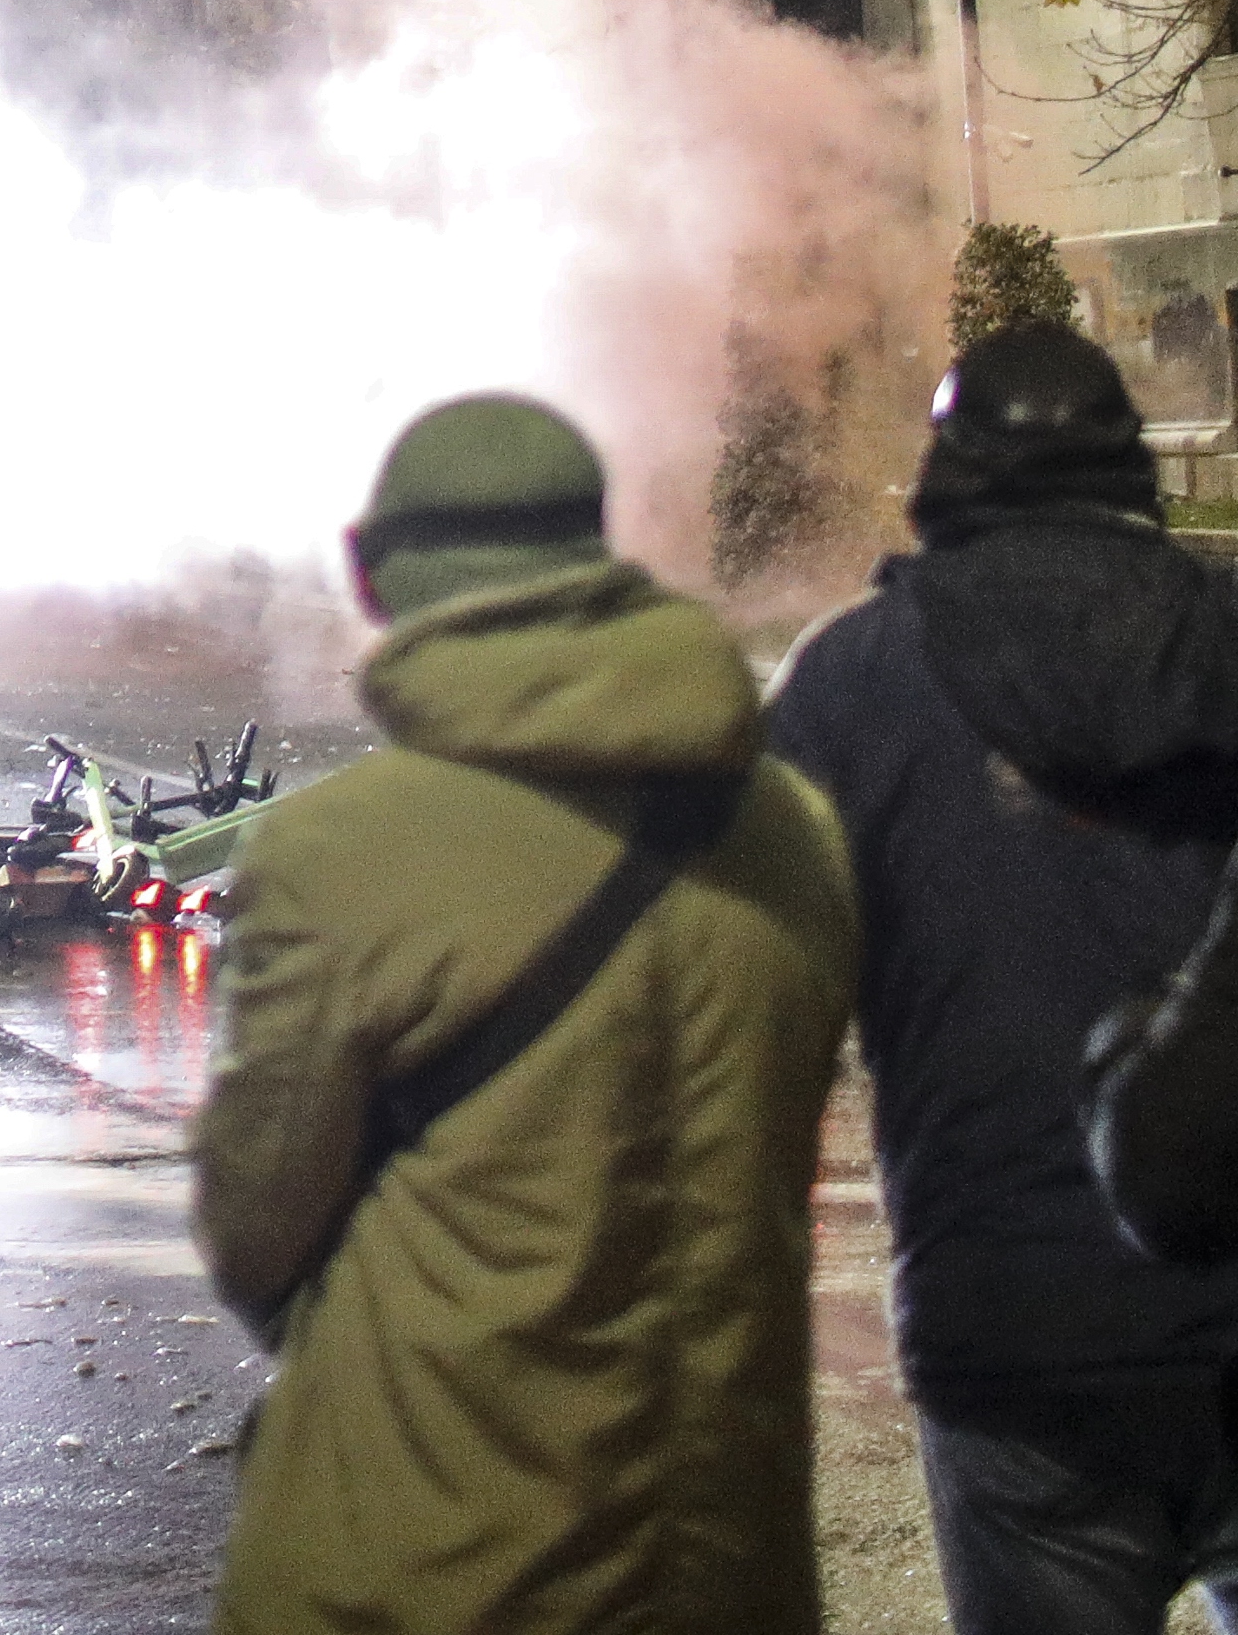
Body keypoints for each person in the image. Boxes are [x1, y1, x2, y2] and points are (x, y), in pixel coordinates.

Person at [192, 393, 855, 1634]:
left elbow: (254, 1231)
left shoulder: (337, 853)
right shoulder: (790, 834)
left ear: (371, 579)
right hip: (715, 1571)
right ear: (592, 554)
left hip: (421, 1565)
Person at [773, 327, 1238, 1628]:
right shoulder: (1227, 631)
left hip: (1009, 1322)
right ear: (1132, 461)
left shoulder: (854, 683)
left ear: (947, 467)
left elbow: (754, 999)